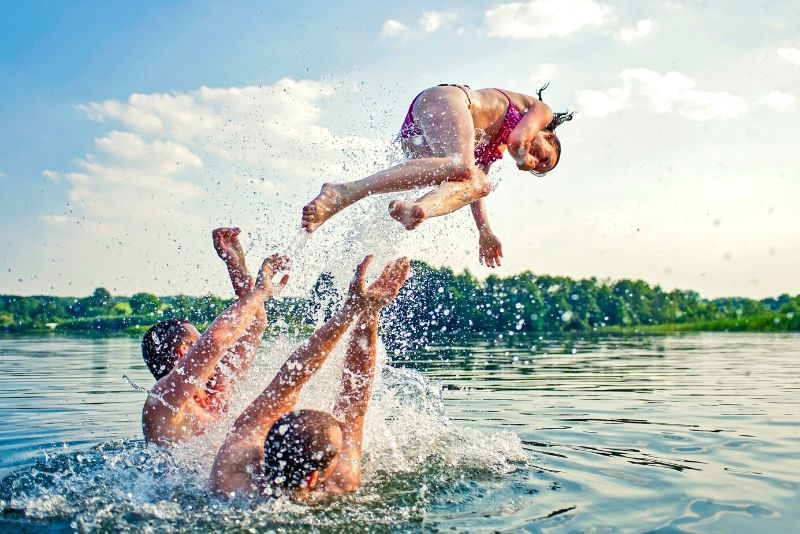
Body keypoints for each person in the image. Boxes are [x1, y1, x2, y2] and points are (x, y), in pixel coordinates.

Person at [302, 84, 574, 267]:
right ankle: (344, 191)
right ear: (549, 135)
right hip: (445, 101)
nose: (535, 162)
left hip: (417, 141)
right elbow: (518, 143)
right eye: (543, 158)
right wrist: (523, 158)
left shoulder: (492, 149)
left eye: (538, 167)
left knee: (479, 182)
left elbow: (471, 189)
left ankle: (419, 209)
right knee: (463, 167)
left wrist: (485, 232)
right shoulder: (540, 110)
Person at [210, 255, 410, 499]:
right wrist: (370, 312)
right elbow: (354, 402)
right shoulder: (341, 481)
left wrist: (350, 310)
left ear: (265, 449)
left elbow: (289, 379)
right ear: (314, 478)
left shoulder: (232, 471)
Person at [141, 227, 290, 446]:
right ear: (184, 351)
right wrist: (260, 292)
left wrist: (236, 264)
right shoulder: (164, 398)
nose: (204, 342)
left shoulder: (217, 389)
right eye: (198, 340)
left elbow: (254, 325)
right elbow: (215, 343)